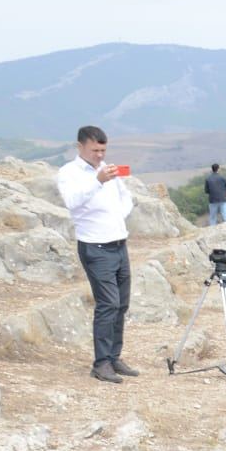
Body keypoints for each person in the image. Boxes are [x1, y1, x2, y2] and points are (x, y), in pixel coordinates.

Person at [56, 125, 138, 384]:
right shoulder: (70, 173)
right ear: (80, 147)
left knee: (121, 304)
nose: (100, 155)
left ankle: (114, 356)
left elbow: (125, 197)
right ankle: (101, 363)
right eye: (95, 150)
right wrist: (97, 181)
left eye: (103, 150)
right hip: (95, 246)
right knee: (108, 304)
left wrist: (117, 215)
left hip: (118, 242)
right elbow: (72, 201)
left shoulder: (109, 169)